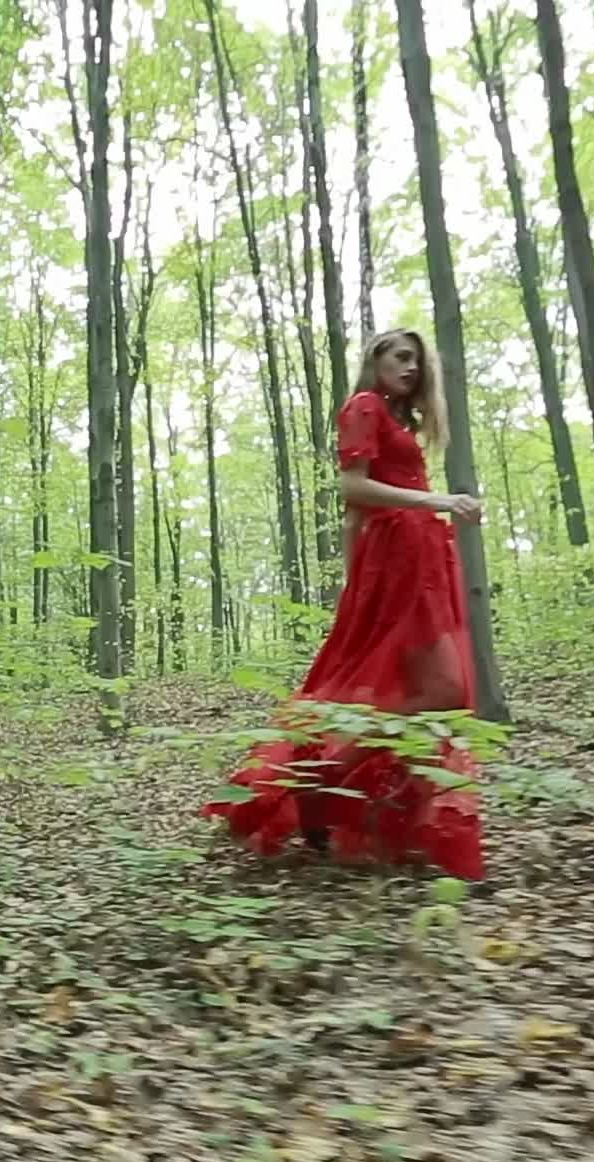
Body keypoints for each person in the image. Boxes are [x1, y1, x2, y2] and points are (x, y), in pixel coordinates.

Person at [205, 328, 486, 880]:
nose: (411, 368)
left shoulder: (398, 419)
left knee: (439, 691)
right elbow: (353, 492)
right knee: (430, 687)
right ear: (375, 360)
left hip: (421, 556)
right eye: (401, 357)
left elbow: (359, 510)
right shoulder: (362, 406)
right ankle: (318, 782)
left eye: (417, 361)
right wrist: (435, 503)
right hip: (399, 557)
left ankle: (334, 789)